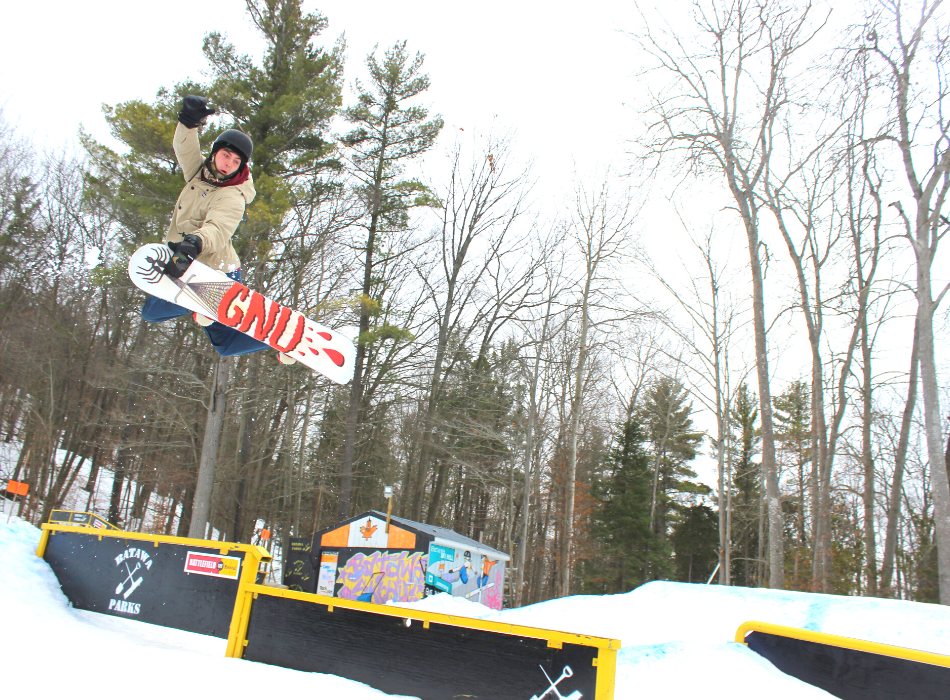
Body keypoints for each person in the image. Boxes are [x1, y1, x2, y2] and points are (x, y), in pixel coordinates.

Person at [140, 95, 295, 364]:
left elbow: (218, 228)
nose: (228, 164)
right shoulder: (199, 172)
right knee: (225, 344)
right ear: (215, 153)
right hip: (195, 266)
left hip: (216, 271)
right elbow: (184, 148)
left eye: (236, 162)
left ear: (242, 166)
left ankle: (205, 304)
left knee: (153, 311)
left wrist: (193, 244)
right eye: (225, 156)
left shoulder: (233, 195)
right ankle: (282, 338)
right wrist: (189, 122)